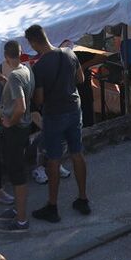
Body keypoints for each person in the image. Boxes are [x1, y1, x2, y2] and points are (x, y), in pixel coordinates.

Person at [26, 25, 90, 223]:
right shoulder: (69, 53)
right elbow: (81, 78)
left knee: (53, 159)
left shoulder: (39, 67)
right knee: (77, 152)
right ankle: (83, 199)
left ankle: (52, 206)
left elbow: (39, 99)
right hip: (74, 109)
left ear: (33, 43)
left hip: (54, 114)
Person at [0, 42, 34, 233]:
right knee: (16, 172)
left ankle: (21, 221)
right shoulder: (26, 70)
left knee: (18, 175)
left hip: (15, 130)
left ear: (5, 56)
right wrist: (5, 82)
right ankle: (18, 210)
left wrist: (10, 122)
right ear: (20, 53)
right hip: (23, 128)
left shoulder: (15, 76)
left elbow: (21, 107)